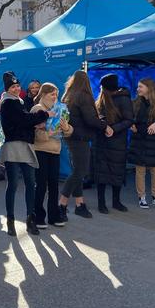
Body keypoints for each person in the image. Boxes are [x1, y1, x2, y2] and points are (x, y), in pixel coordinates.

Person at [0, 72, 50, 236]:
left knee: (30, 183)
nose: (16, 89)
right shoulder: (8, 102)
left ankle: (30, 219)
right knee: (14, 185)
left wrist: (31, 124)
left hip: (24, 146)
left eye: (17, 86)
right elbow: (23, 120)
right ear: (8, 88)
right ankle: (11, 221)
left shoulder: (18, 102)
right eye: (13, 87)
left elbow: (23, 121)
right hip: (13, 147)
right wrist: (44, 114)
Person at [60, 70, 107, 219]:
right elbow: (90, 119)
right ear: (86, 82)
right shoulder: (84, 96)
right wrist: (105, 125)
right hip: (81, 137)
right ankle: (62, 204)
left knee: (77, 170)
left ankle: (80, 204)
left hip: (70, 136)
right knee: (80, 172)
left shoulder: (67, 95)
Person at [31, 83, 72, 228]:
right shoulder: (38, 109)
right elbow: (35, 134)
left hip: (55, 151)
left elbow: (69, 130)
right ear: (43, 95)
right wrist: (49, 133)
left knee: (54, 184)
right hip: (41, 151)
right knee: (41, 184)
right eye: (52, 94)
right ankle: (38, 216)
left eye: (56, 94)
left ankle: (53, 216)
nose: (55, 97)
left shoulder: (59, 109)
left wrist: (66, 127)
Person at [93, 74, 134, 214]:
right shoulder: (101, 98)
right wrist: (103, 124)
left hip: (117, 142)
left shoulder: (124, 99)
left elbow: (129, 120)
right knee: (101, 174)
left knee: (117, 173)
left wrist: (113, 129)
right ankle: (101, 203)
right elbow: (97, 116)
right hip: (102, 141)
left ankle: (116, 202)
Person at [129, 78, 155, 209]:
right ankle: (142, 197)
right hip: (138, 140)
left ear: (149, 88)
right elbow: (127, 117)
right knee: (140, 170)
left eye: (141, 87)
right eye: (138, 86)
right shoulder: (135, 103)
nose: (138, 89)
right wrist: (131, 124)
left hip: (154, 141)